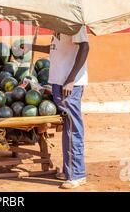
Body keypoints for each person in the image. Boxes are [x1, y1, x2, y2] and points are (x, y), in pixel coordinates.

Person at [29, 26, 90, 189]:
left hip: (69, 84)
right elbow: (54, 49)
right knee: (68, 127)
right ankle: (68, 170)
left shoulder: (75, 23)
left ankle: (77, 174)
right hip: (58, 81)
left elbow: (85, 47)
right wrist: (31, 47)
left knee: (73, 127)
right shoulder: (59, 23)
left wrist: (71, 79)